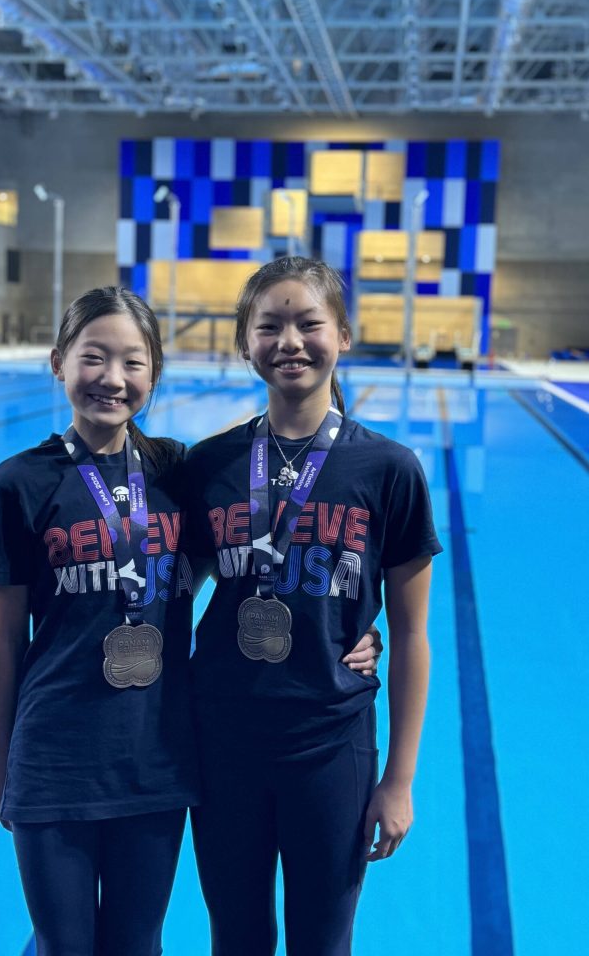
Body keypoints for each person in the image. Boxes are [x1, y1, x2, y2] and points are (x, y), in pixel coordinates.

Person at [0, 283, 382, 956]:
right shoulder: (19, 483)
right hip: (53, 753)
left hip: (157, 756)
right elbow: (6, 631)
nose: (112, 378)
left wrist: (351, 632)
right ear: (59, 363)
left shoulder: (175, 473)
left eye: (133, 362)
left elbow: (231, 561)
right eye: (93, 358)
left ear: (154, 375)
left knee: (139, 944)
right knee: (64, 944)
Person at [184, 256, 442, 956]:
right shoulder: (208, 465)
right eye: (269, 326)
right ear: (245, 344)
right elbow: (166, 589)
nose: (289, 341)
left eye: (308, 323)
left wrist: (400, 779)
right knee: (235, 935)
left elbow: (413, 631)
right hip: (223, 740)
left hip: (332, 743)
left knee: (323, 942)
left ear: (344, 336)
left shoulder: (388, 470)